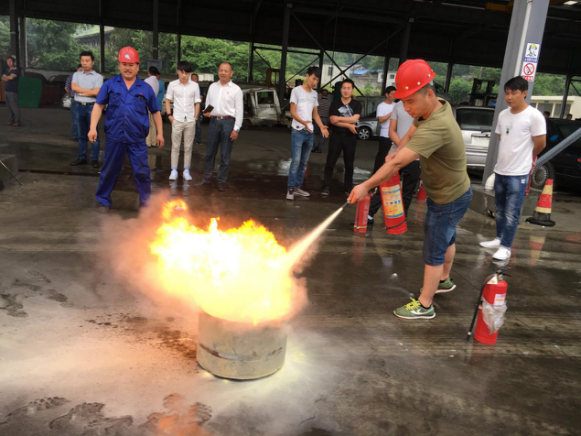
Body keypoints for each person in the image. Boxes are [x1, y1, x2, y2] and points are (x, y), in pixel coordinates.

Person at [348, 59, 472, 321]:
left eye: (410, 101)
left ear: (429, 94)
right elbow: (411, 133)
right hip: (454, 192)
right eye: (403, 102)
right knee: (447, 238)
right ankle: (444, 280)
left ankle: (425, 305)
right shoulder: (435, 108)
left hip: (448, 197)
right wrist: (396, 149)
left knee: (434, 248)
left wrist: (365, 186)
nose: (406, 108)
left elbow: (398, 165)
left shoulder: (437, 126)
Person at [89, 46, 164, 213]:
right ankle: (103, 201)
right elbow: (98, 106)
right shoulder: (109, 85)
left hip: (137, 138)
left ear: (137, 66)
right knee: (109, 170)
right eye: (124, 64)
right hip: (115, 136)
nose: (127, 68)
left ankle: (146, 204)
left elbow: (156, 112)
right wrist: (92, 128)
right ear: (119, 65)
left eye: (131, 65)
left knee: (142, 172)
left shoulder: (145, 88)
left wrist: (160, 133)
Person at [479, 76, 546, 261]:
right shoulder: (503, 114)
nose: (509, 97)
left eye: (513, 93)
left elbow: (540, 143)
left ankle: (506, 247)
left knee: (511, 212)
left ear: (524, 93)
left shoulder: (534, 116)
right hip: (501, 169)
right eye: (507, 93)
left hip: (519, 173)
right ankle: (499, 238)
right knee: (500, 209)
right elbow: (502, 137)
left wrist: (529, 157)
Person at [365, 97, 420, 228]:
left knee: (407, 191)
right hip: (395, 153)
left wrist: (405, 149)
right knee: (384, 185)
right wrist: (401, 148)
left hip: (415, 156)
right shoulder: (398, 106)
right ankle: (369, 215)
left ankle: (400, 220)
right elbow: (391, 131)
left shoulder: (421, 106)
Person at [199, 62, 243, 192]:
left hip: (228, 123)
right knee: (210, 153)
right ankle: (206, 179)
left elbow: (239, 111)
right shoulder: (213, 87)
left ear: (231, 73)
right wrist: (207, 112)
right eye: (221, 70)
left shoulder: (236, 89)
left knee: (225, 155)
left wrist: (236, 129)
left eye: (226, 71)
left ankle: (221, 181)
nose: (223, 73)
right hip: (214, 122)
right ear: (218, 72)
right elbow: (209, 104)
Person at [286, 67, 329, 200]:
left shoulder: (314, 94)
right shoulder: (296, 91)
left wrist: (321, 126)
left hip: (309, 132)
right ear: (307, 76)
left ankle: (298, 187)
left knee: (304, 163)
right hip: (298, 130)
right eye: (313, 79)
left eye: (317, 80)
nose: (315, 82)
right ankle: (290, 188)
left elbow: (315, 114)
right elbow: (292, 112)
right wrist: (303, 122)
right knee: (296, 161)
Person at [321, 79, 362, 197]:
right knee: (330, 162)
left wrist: (339, 118)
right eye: (344, 88)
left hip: (350, 138)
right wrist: (349, 125)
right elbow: (332, 121)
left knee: (349, 163)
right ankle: (326, 186)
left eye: (348, 88)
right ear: (341, 90)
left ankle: (348, 187)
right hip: (336, 136)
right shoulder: (335, 103)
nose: (346, 90)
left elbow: (354, 119)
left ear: (352, 90)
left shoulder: (356, 104)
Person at [165, 61, 201, 181]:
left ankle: (186, 170)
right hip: (177, 119)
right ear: (178, 72)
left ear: (190, 73)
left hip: (190, 120)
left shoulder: (194, 86)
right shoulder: (172, 85)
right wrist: (169, 115)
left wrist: (195, 118)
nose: (184, 75)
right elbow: (168, 100)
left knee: (188, 147)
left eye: (187, 73)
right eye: (182, 72)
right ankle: (174, 170)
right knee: (175, 146)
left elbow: (197, 103)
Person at [71, 51, 103, 168]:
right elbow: (73, 88)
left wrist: (80, 91)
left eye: (87, 61)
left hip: (92, 108)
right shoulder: (76, 75)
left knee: (94, 134)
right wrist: (90, 92)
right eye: (82, 60)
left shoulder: (98, 77)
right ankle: (82, 157)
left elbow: (97, 92)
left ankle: (94, 158)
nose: (84, 63)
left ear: (92, 62)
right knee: (81, 134)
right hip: (79, 106)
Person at [373, 86, 396, 174]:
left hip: (395, 134)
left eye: (395, 94)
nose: (394, 96)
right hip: (385, 134)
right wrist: (392, 113)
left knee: (393, 156)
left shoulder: (397, 105)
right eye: (392, 94)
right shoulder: (381, 106)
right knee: (382, 155)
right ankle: (376, 174)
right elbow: (381, 119)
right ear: (386, 95)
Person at [65, 64, 83, 140]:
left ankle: (81, 135)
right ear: (77, 69)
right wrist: (72, 94)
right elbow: (67, 88)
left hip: (85, 99)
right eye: (80, 69)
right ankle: (75, 135)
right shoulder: (72, 77)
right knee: (75, 118)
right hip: (76, 99)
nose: (82, 71)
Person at [2, 56, 21, 127]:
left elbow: (11, 77)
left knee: (14, 107)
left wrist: (7, 77)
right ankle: (11, 120)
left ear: (13, 62)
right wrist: (8, 77)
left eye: (10, 61)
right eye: (7, 61)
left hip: (13, 91)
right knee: (9, 107)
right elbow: (2, 78)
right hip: (6, 91)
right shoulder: (7, 70)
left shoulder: (16, 70)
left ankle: (17, 121)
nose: (9, 62)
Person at [145, 66, 161, 148]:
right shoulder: (157, 82)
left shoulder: (147, 81)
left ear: (149, 72)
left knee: (147, 123)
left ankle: (148, 142)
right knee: (153, 124)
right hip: (154, 103)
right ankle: (153, 142)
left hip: (147, 104)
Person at [312, 89, 331, 153]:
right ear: (327, 95)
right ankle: (320, 149)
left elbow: (314, 111)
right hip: (325, 119)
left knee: (314, 133)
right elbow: (329, 113)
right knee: (323, 134)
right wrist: (328, 120)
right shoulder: (329, 103)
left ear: (321, 94)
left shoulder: (318, 102)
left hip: (318, 119)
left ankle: (315, 145)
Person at [191, 73, 204, 145]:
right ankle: (187, 139)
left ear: (197, 79)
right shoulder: (187, 87)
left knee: (197, 124)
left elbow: (200, 98)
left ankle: (198, 140)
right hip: (189, 108)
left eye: (195, 79)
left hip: (197, 108)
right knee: (188, 124)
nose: (193, 80)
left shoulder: (200, 88)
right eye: (192, 79)